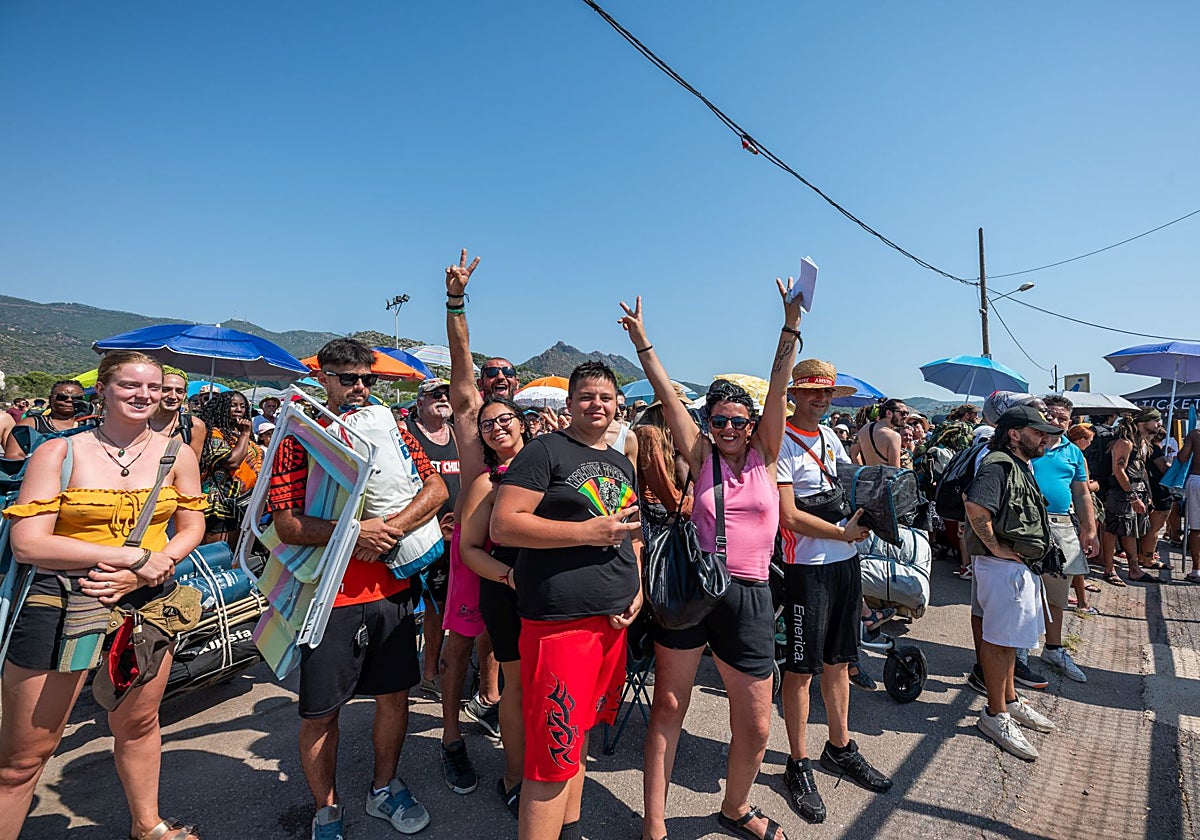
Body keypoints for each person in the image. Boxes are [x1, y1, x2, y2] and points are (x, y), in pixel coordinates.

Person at [0, 351, 206, 840]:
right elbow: (28, 543)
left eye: (153, 387)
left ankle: (148, 825)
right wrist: (132, 558)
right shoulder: (60, 452)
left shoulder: (177, 453)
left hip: (146, 602)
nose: (144, 396)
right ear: (102, 391)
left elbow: (192, 524)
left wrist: (149, 570)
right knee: (22, 760)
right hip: (62, 600)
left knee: (138, 723)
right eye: (129, 386)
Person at [619, 282, 799, 840]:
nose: (727, 429)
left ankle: (735, 807)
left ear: (753, 425)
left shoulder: (766, 454)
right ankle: (654, 823)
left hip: (749, 594)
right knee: (669, 706)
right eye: (718, 420)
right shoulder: (699, 455)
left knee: (756, 721)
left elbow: (778, 385)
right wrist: (643, 341)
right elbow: (666, 394)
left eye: (736, 421)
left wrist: (790, 322)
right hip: (695, 587)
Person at [267, 337, 448, 840]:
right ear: (322, 377)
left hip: (391, 591)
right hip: (327, 599)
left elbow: (434, 490)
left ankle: (384, 789)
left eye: (369, 378)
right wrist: (354, 533)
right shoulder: (300, 435)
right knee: (321, 712)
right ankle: (326, 810)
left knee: (395, 696)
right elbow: (286, 526)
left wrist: (387, 527)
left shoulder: (392, 428)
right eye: (348, 379)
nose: (361, 388)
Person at [491, 361, 643, 840]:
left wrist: (636, 587)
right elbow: (504, 524)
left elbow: (631, 536)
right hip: (560, 627)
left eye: (605, 397)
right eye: (586, 397)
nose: (596, 404)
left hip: (611, 624)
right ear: (570, 403)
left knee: (577, 744)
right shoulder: (543, 451)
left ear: (617, 403)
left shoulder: (620, 461)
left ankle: (570, 831)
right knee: (551, 757)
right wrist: (585, 531)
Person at [777, 359, 891, 825]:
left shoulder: (830, 437)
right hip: (807, 567)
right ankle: (797, 761)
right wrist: (842, 534)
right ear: (795, 396)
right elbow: (787, 516)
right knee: (801, 668)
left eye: (827, 394)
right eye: (811, 392)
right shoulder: (780, 441)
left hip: (845, 563)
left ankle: (839, 746)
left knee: (840, 661)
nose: (821, 400)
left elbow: (850, 486)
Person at [442, 248, 513, 761]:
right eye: (492, 375)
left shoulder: (532, 443)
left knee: (504, 641)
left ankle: (498, 708)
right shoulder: (475, 435)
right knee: (462, 643)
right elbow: (461, 371)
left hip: (515, 554)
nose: (498, 424)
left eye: (507, 377)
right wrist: (456, 300)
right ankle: (449, 736)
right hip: (471, 550)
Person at [964, 406, 1059, 761]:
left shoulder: (1017, 464)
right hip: (1003, 568)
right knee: (998, 640)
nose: (1045, 438)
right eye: (1038, 432)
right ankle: (995, 714)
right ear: (1015, 434)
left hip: (1017, 568)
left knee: (1008, 642)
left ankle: (1008, 700)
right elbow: (976, 508)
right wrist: (997, 548)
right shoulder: (999, 464)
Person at [459, 396, 534, 818]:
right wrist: (508, 577)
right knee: (517, 683)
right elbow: (469, 548)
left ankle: (547, 765)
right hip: (506, 587)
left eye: (505, 419)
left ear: (522, 423)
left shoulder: (549, 467)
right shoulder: (486, 484)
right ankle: (513, 775)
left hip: (554, 589)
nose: (497, 428)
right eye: (488, 425)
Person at [1030, 395, 1099, 683]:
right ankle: (1020, 651)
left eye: (1063, 418)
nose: (1056, 422)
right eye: (1052, 416)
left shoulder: (1073, 452)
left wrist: (1090, 529)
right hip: (1029, 525)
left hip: (1061, 525)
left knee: (1057, 594)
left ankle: (1054, 648)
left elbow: (1082, 492)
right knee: (1026, 592)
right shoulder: (1030, 445)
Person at [1105, 408, 1163, 585]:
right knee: (1113, 529)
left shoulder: (1143, 443)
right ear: (1142, 422)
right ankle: (1109, 570)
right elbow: (1118, 470)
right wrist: (1133, 496)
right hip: (1122, 493)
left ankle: (1134, 569)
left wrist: (1148, 494)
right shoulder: (1125, 443)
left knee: (1131, 531)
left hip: (1137, 490)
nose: (1158, 424)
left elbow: (1141, 470)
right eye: (1155, 420)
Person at [197, 390, 261, 545]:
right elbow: (232, 462)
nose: (239, 409)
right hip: (218, 505)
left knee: (234, 553)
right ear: (223, 408)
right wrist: (245, 434)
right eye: (233, 406)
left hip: (241, 503)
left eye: (242, 406)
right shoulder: (213, 434)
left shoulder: (241, 435)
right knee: (216, 554)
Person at [3, 380, 90, 459]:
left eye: (76, 398)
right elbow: (13, 456)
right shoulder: (30, 424)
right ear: (50, 399)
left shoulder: (91, 424)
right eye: (62, 397)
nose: (69, 400)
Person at [147, 366, 207, 462]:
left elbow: (192, 468)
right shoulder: (138, 422)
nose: (173, 396)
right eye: (166, 389)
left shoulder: (193, 426)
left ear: (184, 396)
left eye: (179, 391)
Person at [1177, 425, 1200, 583]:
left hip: (1197, 480)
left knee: (1196, 527)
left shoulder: (1195, 434)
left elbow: (1182, 458)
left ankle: (1197, 569)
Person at [855, 398, 907, 467]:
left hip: (869, 475)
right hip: (885, 476)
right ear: (888, 413)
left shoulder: (865, 428)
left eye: (907, 413)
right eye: (902, 413)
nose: (905, 416)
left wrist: (862, 470)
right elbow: (895, 469)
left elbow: (853, 452)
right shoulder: (893, 436)